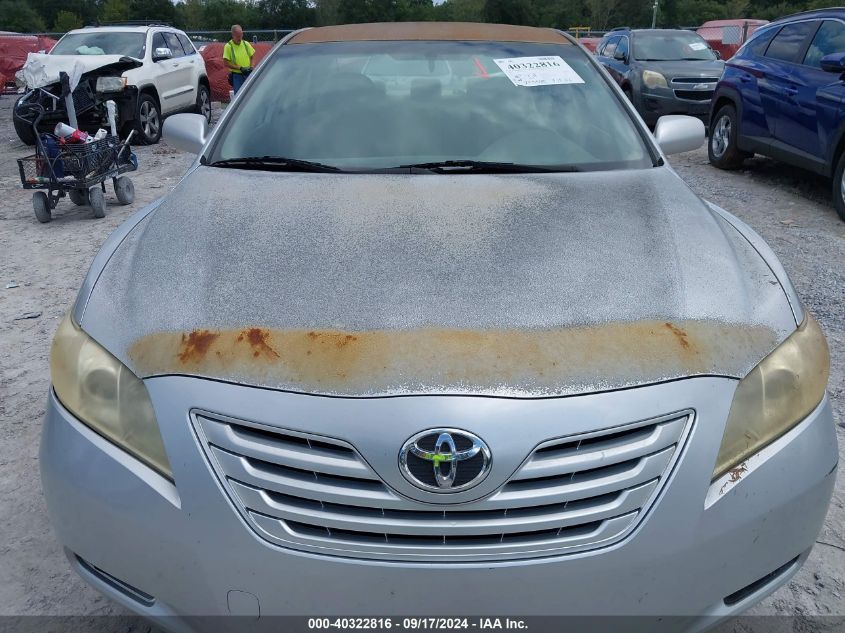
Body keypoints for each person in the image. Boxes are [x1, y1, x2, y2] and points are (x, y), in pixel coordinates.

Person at [223, 25, 255, 95]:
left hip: (248, 74)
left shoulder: (246, 44)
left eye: (241, 36)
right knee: (239, 94)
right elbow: (226, 63)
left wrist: (252, 67)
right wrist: (239, 68)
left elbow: (252, 57)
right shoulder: (228, 46)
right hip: (237, 76)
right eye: (237, 36)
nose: (240, 38)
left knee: (250, 94)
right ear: (233, 35)